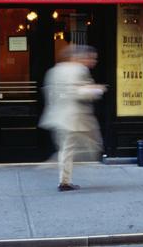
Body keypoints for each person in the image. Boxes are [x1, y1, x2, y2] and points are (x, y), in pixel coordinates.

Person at [39, 45, 105, 192]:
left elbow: (49, 92)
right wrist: (97, 90)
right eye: (91, 58)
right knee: (93, 144)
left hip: (58, 116)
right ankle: (61, 176)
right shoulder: (79, 69)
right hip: (75, 117)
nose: (93, 61)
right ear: (79, 57)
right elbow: (79, 93)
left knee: (67, 149)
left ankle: (64, 178)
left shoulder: (54, 70)